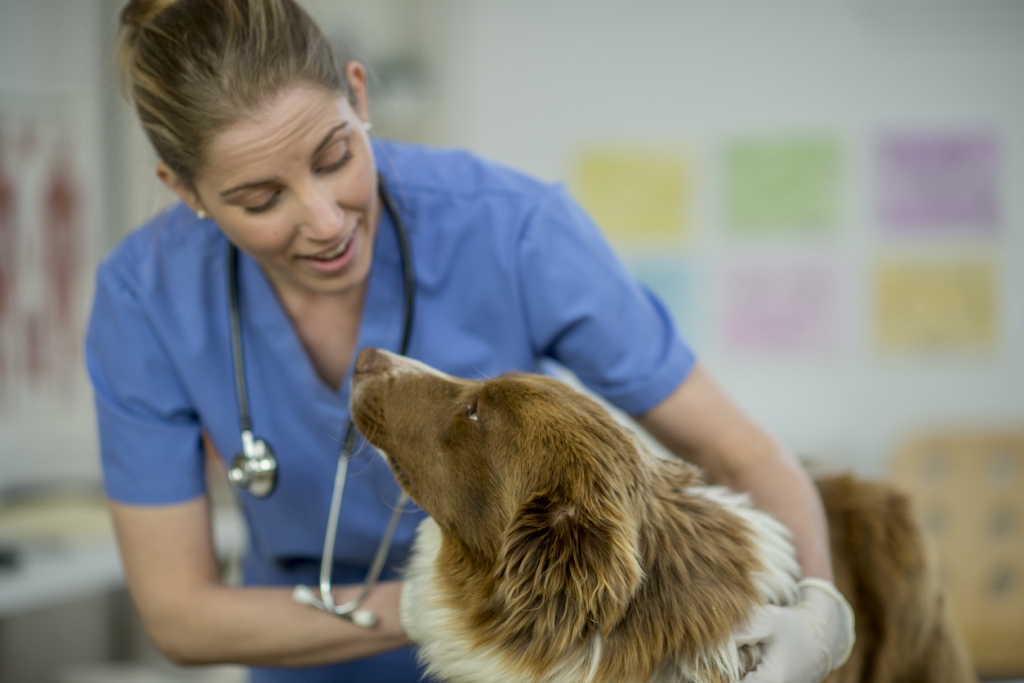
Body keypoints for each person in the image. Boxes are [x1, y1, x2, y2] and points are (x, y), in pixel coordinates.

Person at [86, 0, 855, 681]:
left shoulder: (513, 229)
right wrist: (444, 610)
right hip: (311, 655)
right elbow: (180, 615)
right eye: (260, 199)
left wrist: (822, 611)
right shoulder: (143, 298)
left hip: (527, 657)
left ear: (358, 94)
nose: (323, 221)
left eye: (335, 158)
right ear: (183, 189)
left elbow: (742, 452)